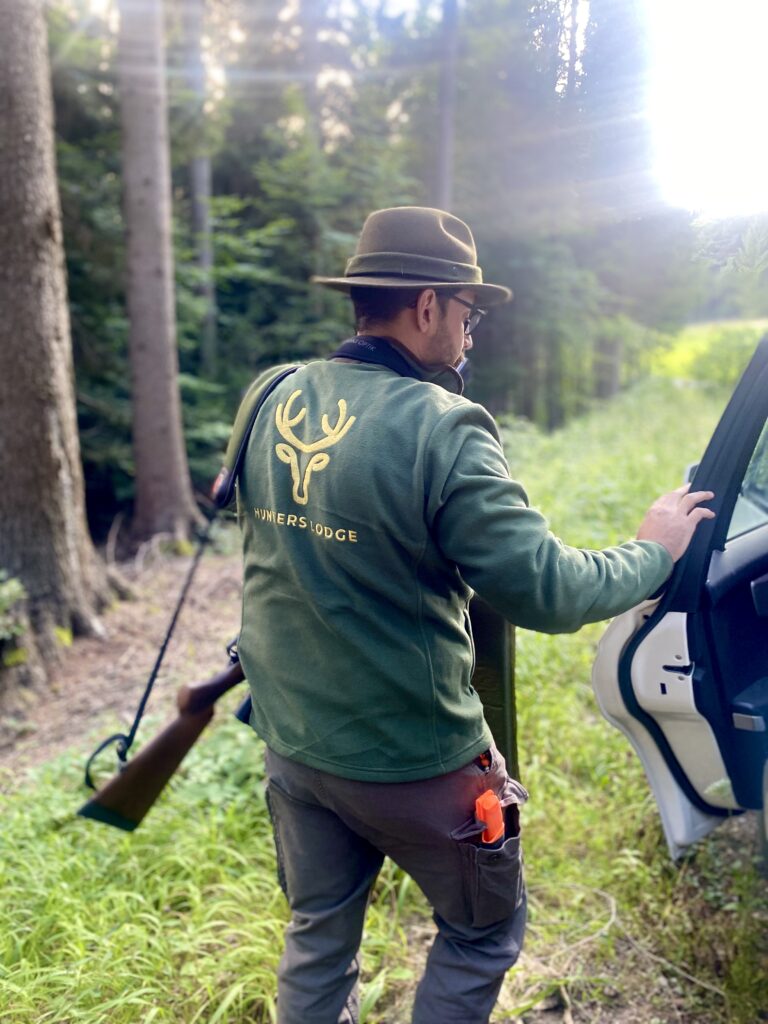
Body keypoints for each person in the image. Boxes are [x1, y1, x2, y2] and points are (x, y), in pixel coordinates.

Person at [233, 206, 714, 1024]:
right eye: (468, 312)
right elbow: (546, 590)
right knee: (482, 935)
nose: (469, 332)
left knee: (318, 937)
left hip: (292, 743)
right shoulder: (443, 425)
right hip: (414, 758)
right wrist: (654, 552)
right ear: (428, 307)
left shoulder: (273, 393)